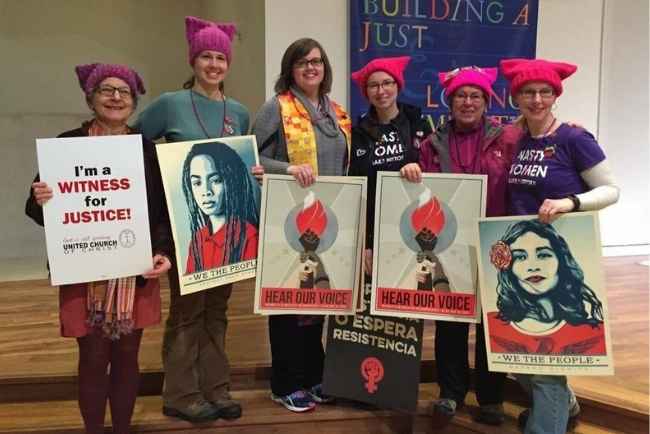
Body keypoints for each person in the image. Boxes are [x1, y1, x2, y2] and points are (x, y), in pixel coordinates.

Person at [25, 63, 172, 434]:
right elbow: (38, 213)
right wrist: (39, 196)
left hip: (136, 271)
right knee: (92, 358)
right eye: (106, 89)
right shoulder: (65, 146)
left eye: (123, 91)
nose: (115, 97)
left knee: (127, 356)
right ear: (91, 98)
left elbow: (165, 212)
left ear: (134, 102)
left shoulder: (148, 151)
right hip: (83, 271)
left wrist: (163, 253)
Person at [133, 16, 263, 423]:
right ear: (193, 60)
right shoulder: (171, 103)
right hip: (185, 229)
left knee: (218, 311)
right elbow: (133, 144)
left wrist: (253, 172)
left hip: (227, 229)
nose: (213, 63)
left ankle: (216, 387)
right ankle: (180, 393)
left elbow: (238, 161)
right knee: (188, 312)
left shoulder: (238, 112)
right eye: (205, 55)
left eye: (220, 57)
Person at [499, 57, 619, 434]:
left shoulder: (573, 138)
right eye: (528, 92)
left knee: (545, 365)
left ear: (555, 95)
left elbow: (610, 189)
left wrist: (571, 202)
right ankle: (564, 405)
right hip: (516, 264)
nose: (536, 99)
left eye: (544, 92)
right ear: (516, 96)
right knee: (516, 360)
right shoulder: (514, 137)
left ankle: (547, 422)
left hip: (558, 263)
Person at [410, 66, 521, 426]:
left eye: (475, 96)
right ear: (450, 101)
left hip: (495, 240)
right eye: (461, 96)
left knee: (493, 320)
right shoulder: (431, 143)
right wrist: (410, 172)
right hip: (449, 240)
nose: (468, 102)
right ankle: (450, 392)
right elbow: (420, 192)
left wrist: (572, 129)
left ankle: (491, 397)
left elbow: (540, 148)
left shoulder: (509, 138)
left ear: (486, 101)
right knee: (451, 320)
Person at [252, 37, 351, 412]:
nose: (311, 68)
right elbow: (250, 155)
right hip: (286, 220)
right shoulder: (275, 108)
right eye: (302, 63)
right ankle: (286, 382)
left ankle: (314, 374)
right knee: (288, 303)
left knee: (318, 298)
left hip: (327, 221)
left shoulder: (335, 112)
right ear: (290, 70)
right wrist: (287, 168)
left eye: (317, 61)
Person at [348, 56, 433, 281]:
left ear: (398, 85)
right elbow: (359, 193)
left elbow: (436, 177)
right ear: (366, 92)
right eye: (373, 85)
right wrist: (365, 243)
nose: (381, 90)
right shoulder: (357, 134)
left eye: (387, 83)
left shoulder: (420, 125)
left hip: (417, 230)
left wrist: (420, 167)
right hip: (377, 233)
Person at [487, 219, 606, 355]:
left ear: (561, 261)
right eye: (520, 257)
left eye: (543, 255)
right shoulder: (492, 325)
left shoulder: (594, 331)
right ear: (508, 267)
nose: (533, 266)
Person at [182, 141, 259, 274]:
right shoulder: (197, 239)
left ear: (232, 181)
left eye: (216, 180)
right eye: (197, 182)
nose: (206, 191)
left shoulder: (249, 237)